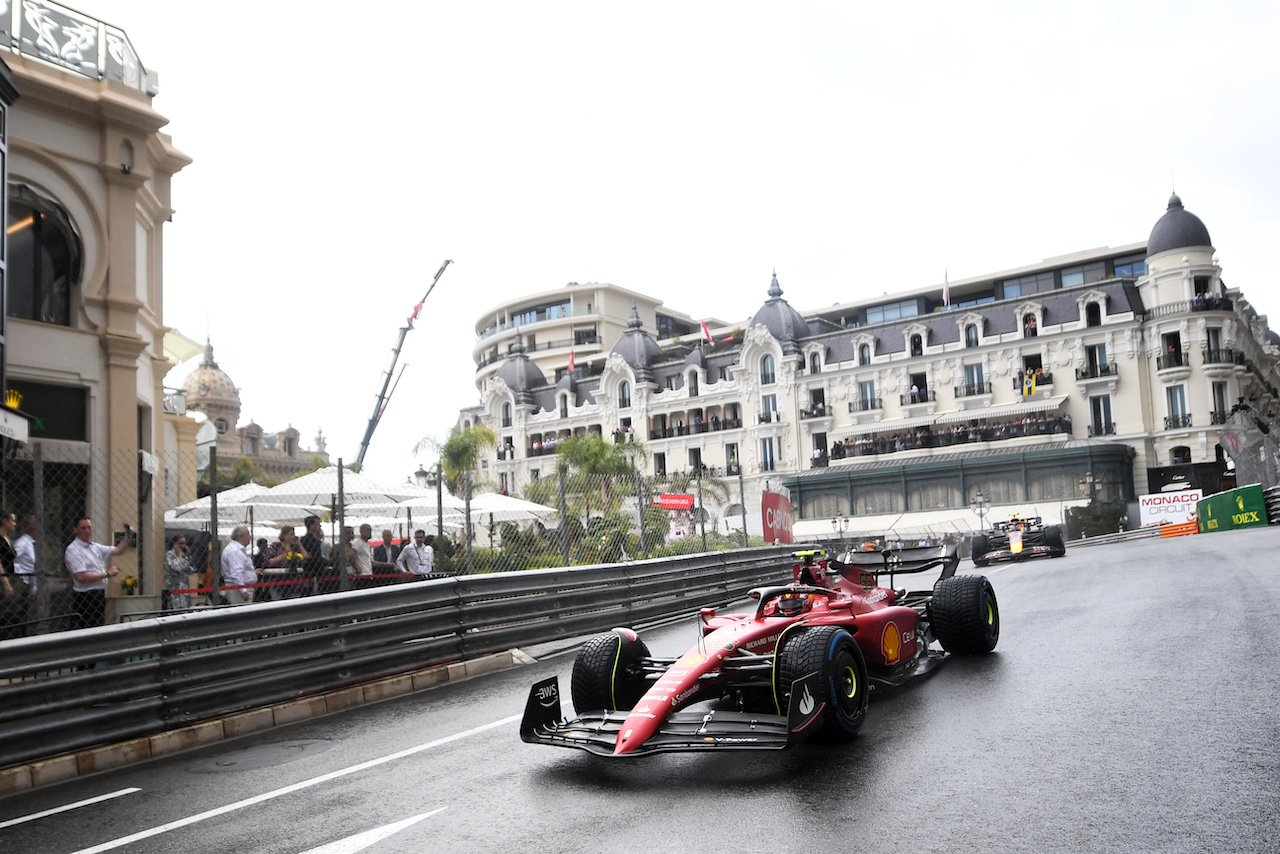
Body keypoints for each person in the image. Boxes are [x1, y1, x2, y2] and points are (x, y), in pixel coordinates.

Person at [63, 517, 131, 628]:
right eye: (83, 528)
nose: (87, 531)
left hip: (98, 594)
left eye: (89, 527)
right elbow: (81, 577)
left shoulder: (94, 547)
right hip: (85, 596)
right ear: (76, 530)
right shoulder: (73, 549)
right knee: (86, 628)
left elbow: (118, 550)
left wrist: (127, 536)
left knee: (98, 626)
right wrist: (107, 574)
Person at [11, 515, 37, 635]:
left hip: (28, 585)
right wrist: (19, 577)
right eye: (35, 524)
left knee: (25, 615)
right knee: (18, 616)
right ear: (29, 527)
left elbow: (34, 567)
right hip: (21, 585)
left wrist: (34, 587)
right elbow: (10, 558)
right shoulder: (23, 542)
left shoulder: (33, 543)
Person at [220, 526, 257, 605]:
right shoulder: (235, 551)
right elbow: (236, 573)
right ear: (240, 536)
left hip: (239, 587)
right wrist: (243, 591)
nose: (250, 536)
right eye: (248, 534)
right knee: (242, 613)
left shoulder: (236, 549)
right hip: (238, 589)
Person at [0, 512, 21, 639]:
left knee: (13, 613)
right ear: (4, 521)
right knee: (5, 612)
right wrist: (6, 583)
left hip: (12, 576)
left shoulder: (8, 539)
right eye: (12, 520)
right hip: (3, 581)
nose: (14, 524)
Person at [164, 534, 194, 612]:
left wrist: (188, 556)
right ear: (174, 543)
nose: (183, 546)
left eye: (184, 543)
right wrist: (180, 556)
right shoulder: (169, 555)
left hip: (184, 590)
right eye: (180, 543)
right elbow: (176, 567)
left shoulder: (184, 555)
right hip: (174, 590)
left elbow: (190, 570)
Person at [300, 515, 329, 594]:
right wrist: (327, 560)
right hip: (313, 572)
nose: (320, 526)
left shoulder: (311, 539)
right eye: (318, 524)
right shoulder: (309, 540)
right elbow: (315, 558)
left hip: (314, 572)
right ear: (311, 526)